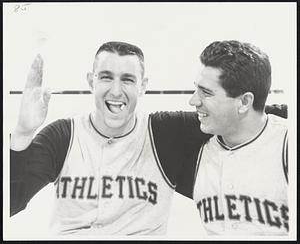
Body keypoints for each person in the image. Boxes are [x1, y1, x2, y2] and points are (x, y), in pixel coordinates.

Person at [10, 41, 286, 236]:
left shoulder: (164, 132)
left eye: (128, 80)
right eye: (106, 77)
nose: (116, 91)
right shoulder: (62, 135)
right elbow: (11, 202)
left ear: (144, 86)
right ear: (90, 81)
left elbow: (247, 113)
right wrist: (22, 133)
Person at [187, 40, 288, 235]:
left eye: (206, 93)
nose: (193, 100)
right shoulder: (194, 145)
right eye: (196, 89)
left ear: (244, 102)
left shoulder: (287, 144)